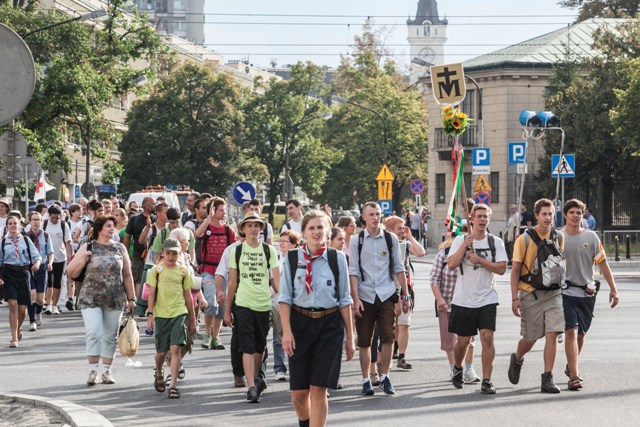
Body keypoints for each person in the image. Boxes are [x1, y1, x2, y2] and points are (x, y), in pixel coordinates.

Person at [280, 211, 354, 427]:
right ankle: (306, 422)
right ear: (303, 232)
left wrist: (350, 337)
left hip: (329, 326)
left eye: (320, 227)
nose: (316, 232)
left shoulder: (337, 258)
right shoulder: (292, 259)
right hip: (300, 324)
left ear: (328, 231)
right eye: (311, 228)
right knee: (299, 394)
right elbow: (284, 298)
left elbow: (344, 299)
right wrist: (287, 332)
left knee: (318, 389)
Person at [349, 202, 411, 396]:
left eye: (378, 214)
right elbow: (353, 271)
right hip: (365, 295)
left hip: (385, 294)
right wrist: (355, 298)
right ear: (364, 217)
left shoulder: (390, 238)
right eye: (371, 214)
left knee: (388, 337)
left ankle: (385, 377)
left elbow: (398, 267)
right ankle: (366, 379)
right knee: (365, 341)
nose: (376, 217)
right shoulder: (356, 240)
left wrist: (405, 295)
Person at [67, 216, 136, 386]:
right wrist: (84, 259)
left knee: (110, 337)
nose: (112, 229)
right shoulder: (88, 246)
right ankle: (93, 370)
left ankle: (106, 371)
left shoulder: (120, 248)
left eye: (113, 226)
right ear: (99, 228)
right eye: (108, 226)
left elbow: (127, 274)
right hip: (90, 298)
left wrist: (132, 298)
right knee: (94, 332)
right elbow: (71, 272)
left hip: (115, 298)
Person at [447, 203, 508, 394]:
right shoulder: (460, 240)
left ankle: (487, 380)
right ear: (472, 219)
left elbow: (501, 269)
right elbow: (451, 265)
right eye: (479, 216)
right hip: (464, 298)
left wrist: (481, 261)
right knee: (464, 341)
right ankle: (458, 367)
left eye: (485, 217)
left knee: (487, 337)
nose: (482, 220)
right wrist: (464, 246)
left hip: (487, 297)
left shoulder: (495, 242)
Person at [561, 199, 619, 391]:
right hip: (565, 292)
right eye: (572, 212)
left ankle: (571, 366)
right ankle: (575, 376)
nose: (575, 216)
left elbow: (602, 264)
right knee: (571, 330)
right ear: (566, 215)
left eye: (579, 212)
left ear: (582, 215)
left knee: (581, 334)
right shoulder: (558, 237)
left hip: (587, 292)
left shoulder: (592, 237)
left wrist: (613, 288)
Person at [508, 198, 564, 393]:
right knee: (531, 338)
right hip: (530, 293)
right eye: (544, 214)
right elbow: (515, 270)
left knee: (552, 333)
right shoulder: (523, 239)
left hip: (553, 293)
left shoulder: (558, 237)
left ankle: (547, 377)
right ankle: (517, 358)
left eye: (550, 214)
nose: (548, 218)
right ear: (537, 215)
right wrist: (515, 298)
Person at [225, 212, 279, 403]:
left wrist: (284, 302)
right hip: (243, 304)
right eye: (249, 226)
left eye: (256, 225)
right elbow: (232, 283)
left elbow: (276, 280)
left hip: (263, 304)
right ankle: (250, 387)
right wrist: (227, 310)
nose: (253, 229)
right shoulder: (237, 252)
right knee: (246, 346)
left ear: (261, 229)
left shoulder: (268, 251)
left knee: (259, 347)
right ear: (243, 229)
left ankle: (255, 378)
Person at [146, 238, 197, 399]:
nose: (171, 256)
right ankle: (159, 371)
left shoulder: (183, 271)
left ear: (180, 254)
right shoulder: (156, 270)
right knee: (161, 352)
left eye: (174, 253)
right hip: (161, 314)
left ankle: (173, 385)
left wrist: (192, 318)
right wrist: (150, 315)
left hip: (179, 313)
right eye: (168, 253)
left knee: (175, 348)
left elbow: (188, 296)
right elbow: (152, 294)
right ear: (163, 253)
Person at [430, 229, 481, 383]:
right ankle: (454, 368)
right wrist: (439, 299)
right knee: (449, 340)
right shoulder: (444, 255)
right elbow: (434, 279)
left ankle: (469, 369)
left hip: (467, 303)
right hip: (447, 303)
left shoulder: (473, 254)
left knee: (468, 339)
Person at [383, 215, 425, 371]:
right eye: (399, 228)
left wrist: (410, 236)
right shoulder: (385, 245)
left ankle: (402, 356)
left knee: (404, 324)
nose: (402, 231)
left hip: (405, 288)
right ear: (389, 230)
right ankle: (388, 353)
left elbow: (421, 252)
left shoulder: (405, 244)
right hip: (388, 289)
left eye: (403, 227)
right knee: (390, 324)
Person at [194, 197, 236, 350]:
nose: (224, 213)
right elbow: (197, 234)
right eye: (221, 210)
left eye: (225, 210)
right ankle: (207, 333)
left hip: (224, 272)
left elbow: (234, 249)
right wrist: (209, 217)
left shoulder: (228, 230)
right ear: (213, 210)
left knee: (221, 305)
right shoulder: (206, 228)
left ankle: (216, 336)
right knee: (211, 302)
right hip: (208, 271)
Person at [0, 216, 42, 348]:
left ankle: (18, 328)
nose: (12, 226)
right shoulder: (2, 243)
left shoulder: (26, 240)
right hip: (9, 273)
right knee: (12, 304)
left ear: (20, 226)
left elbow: (37, 257)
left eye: (15, 223)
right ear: (7, 226)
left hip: (23, 273)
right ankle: (13, 338)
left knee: (22, 309)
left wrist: (36, 264)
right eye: (10, 224)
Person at [272, 229, 301, 382]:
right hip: (279, 299)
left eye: (285, 241)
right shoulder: (276, 258)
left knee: (296, 334)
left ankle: (296, 367)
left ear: (294, 244)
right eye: (281, 241)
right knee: (279, 335)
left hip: (296, 300)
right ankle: (279, 367)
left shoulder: (299, 259)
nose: (282, 244)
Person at [25, 212, 54, 329]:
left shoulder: (46, 235)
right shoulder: (25, 236)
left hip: (42, 268)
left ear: (42, 222)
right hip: (29, 267)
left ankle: (38, 312)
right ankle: (32, 320)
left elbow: (50, 252)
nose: (36, 222)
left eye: (38, 220)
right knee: (31, 294)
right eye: (34, 220)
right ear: (30, 222)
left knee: (40, 298)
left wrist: (50, 263)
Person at [43, 205, 73, 315]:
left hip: (61, 257)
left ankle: (55, 305)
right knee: (49, 282)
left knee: (57, 282)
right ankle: (49, 305)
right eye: (53, 218)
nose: (55, 220)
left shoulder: (63, 225)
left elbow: (68, 242)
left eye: (57, 218)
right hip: (47, 258)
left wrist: (70, 257)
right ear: (49, 216)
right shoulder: (45, 224)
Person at [123, 196, 156, 295]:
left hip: (154, 255)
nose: (155, 206)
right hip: (138, 256)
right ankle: (138, 304)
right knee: (138, 280)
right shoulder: (135, 220)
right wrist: (126, 253)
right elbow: (127, 236)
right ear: (146, 205)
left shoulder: (156, 218)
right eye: (153, 203)